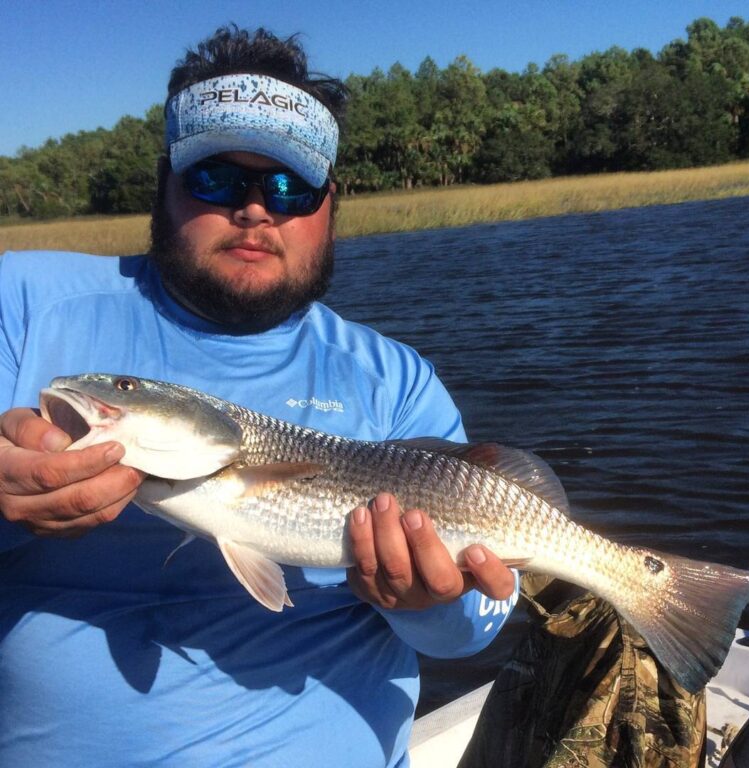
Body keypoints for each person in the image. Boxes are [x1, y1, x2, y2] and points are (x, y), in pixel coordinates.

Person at [0, 25, 518, 767]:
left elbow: (479, 624)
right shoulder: (22, 301)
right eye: (216, 178)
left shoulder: (395, 380)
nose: (255, 209)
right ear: (163, 185)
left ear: (330, 203)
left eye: (289, 186)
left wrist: (432, 606)